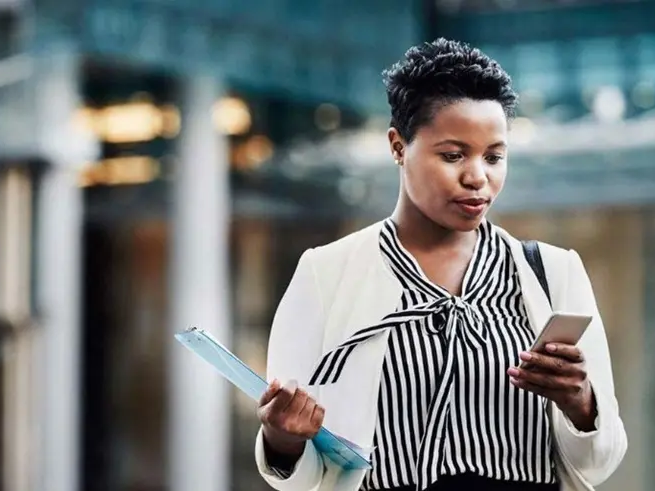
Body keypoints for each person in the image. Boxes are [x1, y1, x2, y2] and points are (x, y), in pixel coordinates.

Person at [253, 38, 627, 491]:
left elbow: (600, 462)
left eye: (494, 156)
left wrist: (581, 403)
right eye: (453, 155)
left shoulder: (553, 274)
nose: (477, 177)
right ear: (397, 146)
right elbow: (301, 472)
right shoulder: (325, 275)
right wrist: (281, 437)